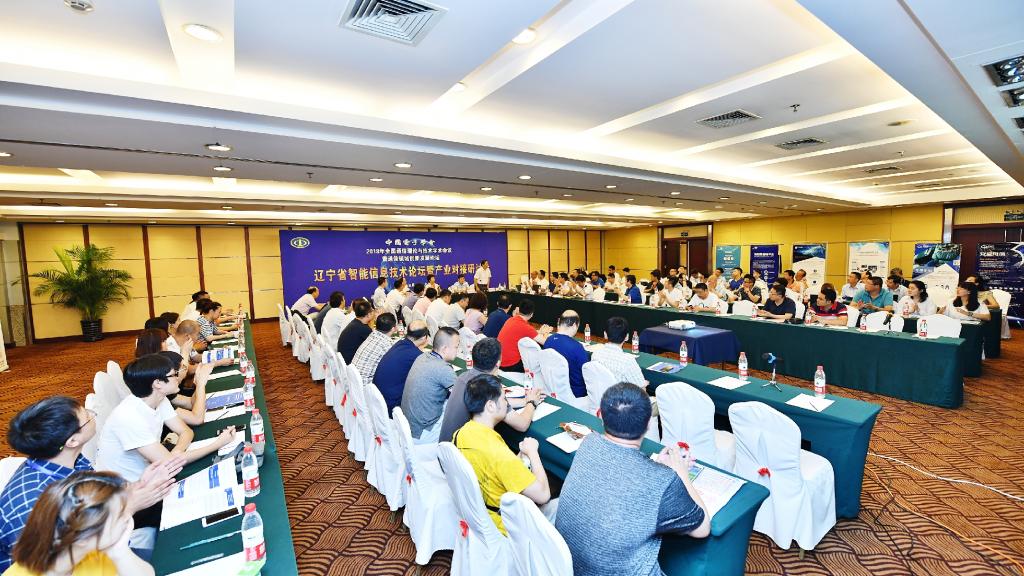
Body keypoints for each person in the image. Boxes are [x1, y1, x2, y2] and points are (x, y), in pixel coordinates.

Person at [0, 397, 182, 571]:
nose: (93, 414)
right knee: (173, 558)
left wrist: (140, 484)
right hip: (83, 563)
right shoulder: (33, 504)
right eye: (87, 416)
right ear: (72, 441)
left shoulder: (69, 460)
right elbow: (65, 561)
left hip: (101, 546)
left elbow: (99, 501)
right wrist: (130, 506)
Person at [556, 383, 708, 576]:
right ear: (649, 424)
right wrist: (681, 473)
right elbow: (702, 528)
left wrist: (655, 469)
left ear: (600, 416)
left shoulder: (589, 442)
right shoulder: (664, 481)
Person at [453, 374, 554, 535]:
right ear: (491, 406)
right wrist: (533, 452)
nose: (507, 403)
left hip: (477, 513)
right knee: (557, 506)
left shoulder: (461, 433)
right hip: (504, 525)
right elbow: (543, 495)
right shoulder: (499, 454)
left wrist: (518, 457)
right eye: (504, 398)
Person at [5, 471, 156, 576]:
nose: (127, 518)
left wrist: (119, 551)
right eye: (120, 515)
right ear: (84, 537)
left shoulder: (94, 553)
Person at [439, 338, 543, 443]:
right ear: (498, 363)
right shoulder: (487, 387)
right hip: (462, 448)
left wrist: (524, 401)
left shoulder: (464, 376)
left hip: (446, 445)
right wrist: (531, 402)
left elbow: (494, 401)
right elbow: (522, 425)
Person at [401, 327, 460, 444]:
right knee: (459, 410)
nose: (457, 351)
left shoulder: (422, 356)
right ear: (444, 348)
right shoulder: (443, 369)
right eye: (456, 347)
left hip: (407, 425)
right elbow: (463, 397)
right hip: (421, 432)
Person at [374, 320, 430, 412]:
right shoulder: (416, 355)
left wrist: (419, 348)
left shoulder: (399, 343)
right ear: (424, 337)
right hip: (391, 406)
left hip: (376, 398)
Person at [496, 298, 552, 372]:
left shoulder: (510, 320)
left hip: (498, 360)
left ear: (519, 310)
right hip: (509, 365)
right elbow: (545, 342)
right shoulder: (526, 327)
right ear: (531, 314)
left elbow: (524, 332)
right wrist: (545, 333)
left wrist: (540, 332)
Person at [543, 311, 589, 398]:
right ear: (574, 325)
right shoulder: (577, 347)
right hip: (576, 394)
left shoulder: (548, 341)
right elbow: (587, 373)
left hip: (553, 388)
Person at [591, 317, 646, 387]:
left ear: (605, 335)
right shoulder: (628, 360)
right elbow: (640, 386)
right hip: (618, 393)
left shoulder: (595, 354)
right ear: (627, 337)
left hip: (599, 392)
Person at [350, 312, 397, 385]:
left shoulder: (372, 335)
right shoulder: (387, 344)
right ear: (393, 328)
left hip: (353, 379)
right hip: (365, 385)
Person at [336, 299, 374, 364]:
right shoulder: (364, 329)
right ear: (368, 315)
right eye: (372, 310)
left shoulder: (355, 322)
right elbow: (373, 345)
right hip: (350, 363)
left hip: (342, 360)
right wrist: (372, 320)